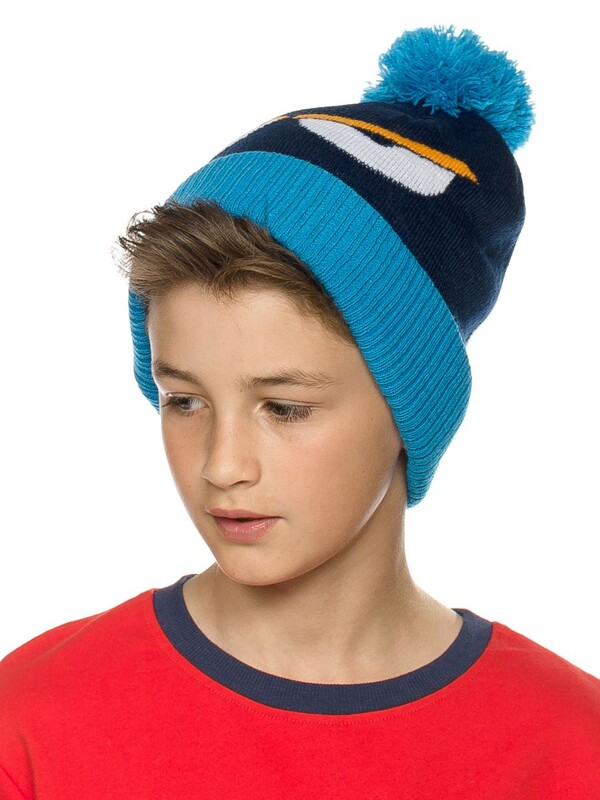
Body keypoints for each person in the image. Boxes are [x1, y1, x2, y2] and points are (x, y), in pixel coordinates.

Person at [1, 24, 599, 799]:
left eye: (284, 408)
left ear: (411, 409)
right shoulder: (33, 721)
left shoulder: (570, 748)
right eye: (185, 401)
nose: (221, 466)